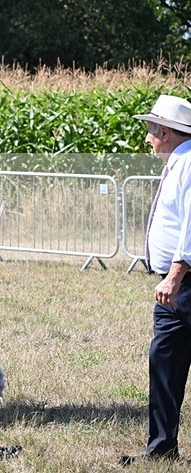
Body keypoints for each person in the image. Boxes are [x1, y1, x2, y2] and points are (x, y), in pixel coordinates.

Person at [120, 94, 191, 465]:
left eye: (150, 130)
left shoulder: (190, 162)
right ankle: (161, 450)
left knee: (167, 360)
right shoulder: (179, 161)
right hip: (173, 285)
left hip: (184, 282)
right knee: (163, 361)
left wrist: (177, 273)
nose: (147, 138)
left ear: (164, 130)